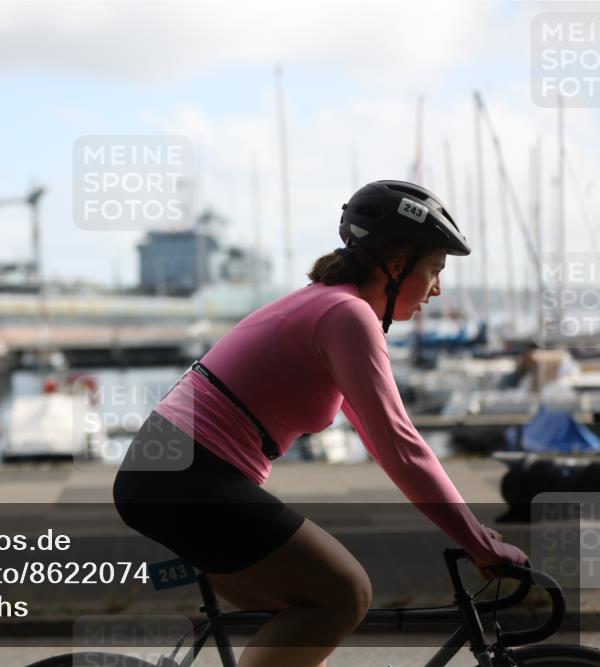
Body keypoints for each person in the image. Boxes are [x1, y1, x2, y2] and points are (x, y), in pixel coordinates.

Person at [112, 180, 529, 667]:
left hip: (170, 474)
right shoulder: (346, 315)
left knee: (308, 618)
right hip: (188, 478)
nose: (437, 289)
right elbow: (400, 446)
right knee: (345, 594)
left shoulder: (330, 305)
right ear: (398, 265)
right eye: (434, 269)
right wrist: (475, 540)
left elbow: (382, 439)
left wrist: (471, 532)